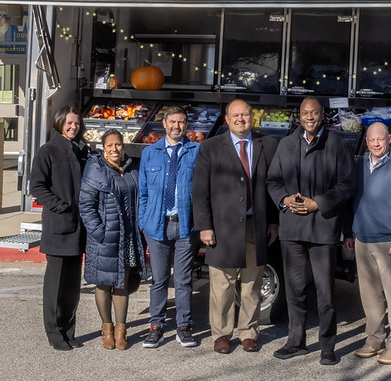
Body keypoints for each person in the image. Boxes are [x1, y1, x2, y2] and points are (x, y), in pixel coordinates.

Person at [267, 97, 355, 366]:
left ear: (322, 116)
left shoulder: (337, 145)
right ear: (299, 116)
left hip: (322, 229)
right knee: (295, 290)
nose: (309, 117)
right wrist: (284, 199)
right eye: (305, 113)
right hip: (292, 229)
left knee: (325, 291)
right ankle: (296, 341)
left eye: (314, 113)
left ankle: (328, 346)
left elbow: (347, 185)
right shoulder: (286, 144)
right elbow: (273, 180)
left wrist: (319, 202)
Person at [192, 99, 279, 354]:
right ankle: (221, 334)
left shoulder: (268, 145)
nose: (241, 119)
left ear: (252, 117)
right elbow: (200, 191)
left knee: (251, 282)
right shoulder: (210, 147)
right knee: (222, 285)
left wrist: (274, 220)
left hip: (256, 224)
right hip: (222, 227)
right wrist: (204, 226)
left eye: (245, 114)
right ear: (227, 120)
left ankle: (248, 332)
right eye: (235, 115)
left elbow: (272, 185)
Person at [344, 122, 391, 365]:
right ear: (366, 141)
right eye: (372, 140)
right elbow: (351, 200)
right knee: (370, 295)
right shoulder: (359, 165)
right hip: (363, 239)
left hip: (388, 242)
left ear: (389, 139)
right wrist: (349, 233)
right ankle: (374, 339)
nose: (376, 144)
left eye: (381, 139)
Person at [79, 129, 148, 350]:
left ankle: (121, 330)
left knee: (122, 283)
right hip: (105, 237)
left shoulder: (131, 169)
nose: (115, 149)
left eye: (118, 144)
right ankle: (106, 328)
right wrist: (98, 231)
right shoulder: (95, 169)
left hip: (128, 236)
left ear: (123, 145)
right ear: (103, 148)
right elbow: (86, 205)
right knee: (104, 283)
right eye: (110, 146)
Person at [139, 105, 201, 349]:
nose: (177, 126)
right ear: (164, 124)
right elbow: (143, 193)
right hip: (156, 226)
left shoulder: (196, 151)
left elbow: (204, 189)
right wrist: (144, 222)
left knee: (184, 280)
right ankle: (156, 327)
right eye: (173, 122)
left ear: (187, 125)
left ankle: (183, 327)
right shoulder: (149, 153)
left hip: (186, 225)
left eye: (182, 122)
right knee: (159, 280)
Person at [30, 105, 88, 351]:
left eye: (76, 123)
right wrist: (60, 205)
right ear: (59, 124)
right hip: (59, 226)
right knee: (55, 285)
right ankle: (55, 334)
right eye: (69, 123)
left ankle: (69, 330)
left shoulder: (84, 150)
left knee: (72, 285)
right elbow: (37, 186)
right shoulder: (48, 151)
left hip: (79, 227)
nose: (73, 127)